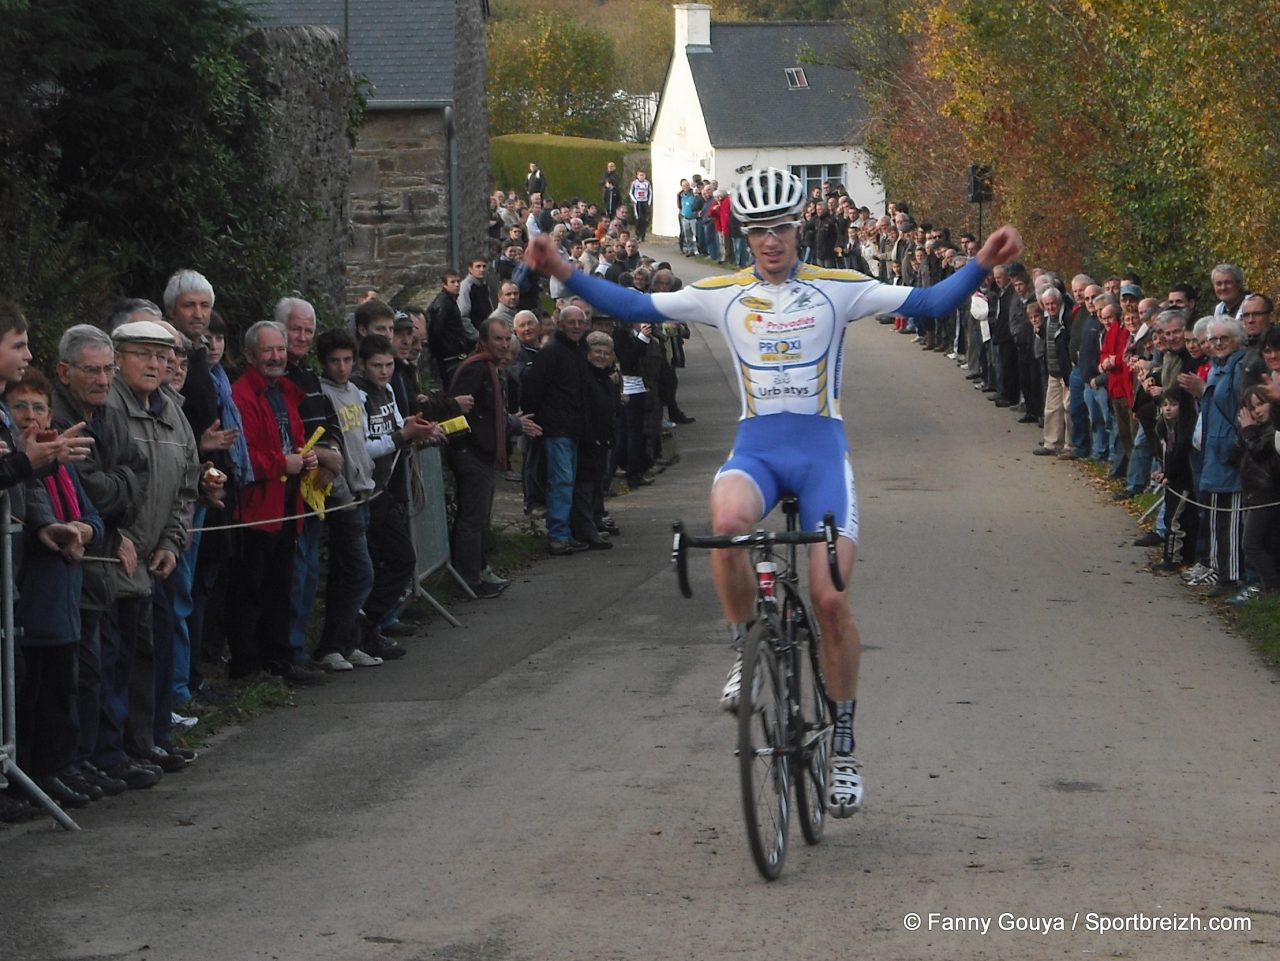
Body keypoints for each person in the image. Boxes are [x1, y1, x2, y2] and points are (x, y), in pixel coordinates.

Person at [524, 167, 1022, 817]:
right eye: (759, 231)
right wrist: (559, 266)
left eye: (783, 228)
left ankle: (843, 745)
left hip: (820, 455)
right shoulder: (722, 294)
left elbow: (926, 305)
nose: (772, 242)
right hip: (757, 448)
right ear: (746, 234)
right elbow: (633, 307)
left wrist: (982, 261)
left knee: (828, 600)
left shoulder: (835, 289)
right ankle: (743, 649)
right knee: (724, 520)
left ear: (799, 228)